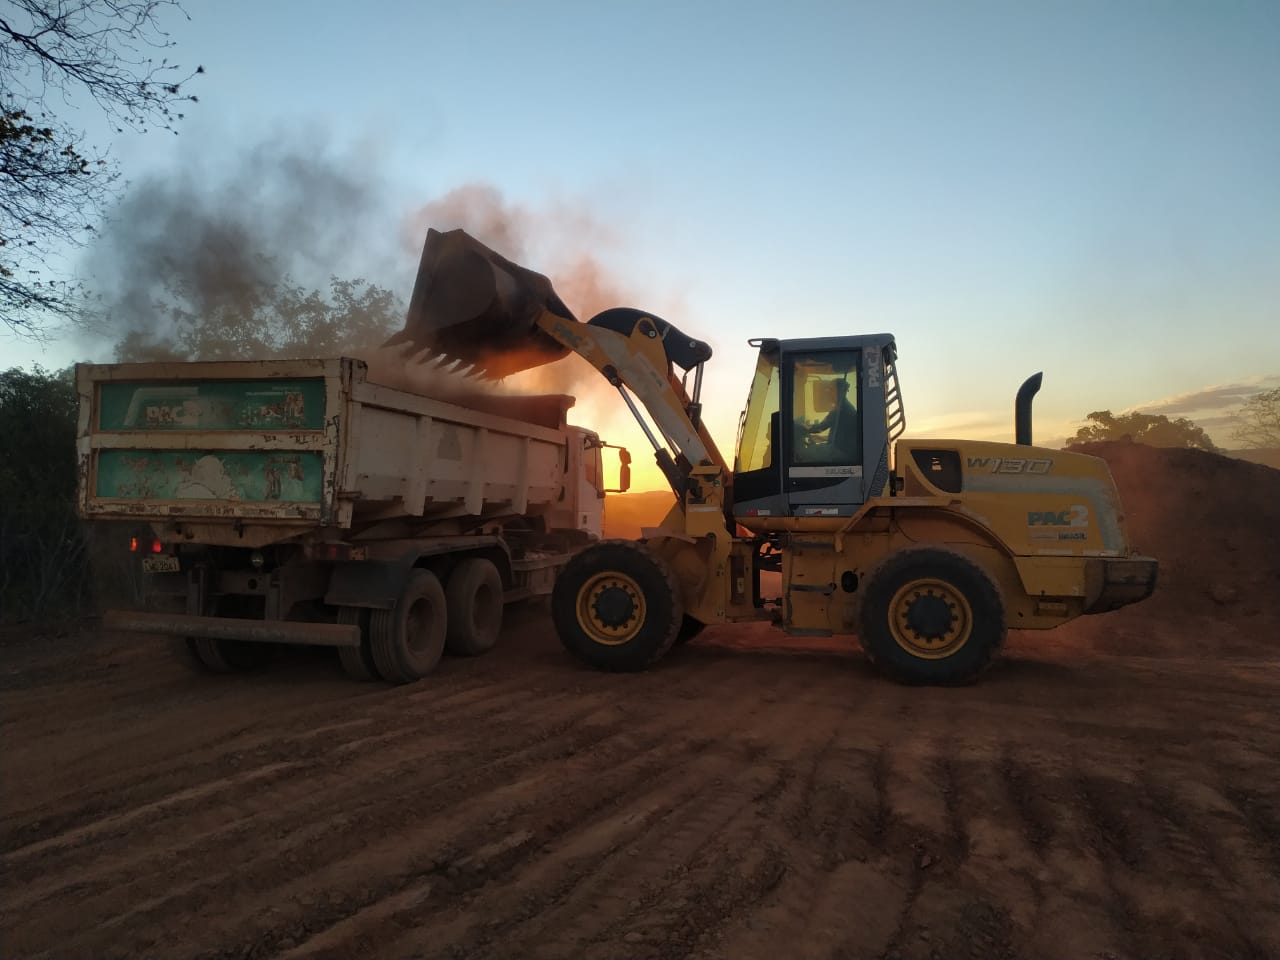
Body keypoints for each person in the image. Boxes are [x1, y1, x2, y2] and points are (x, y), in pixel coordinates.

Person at [807, 377, 860, 463]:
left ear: (839, 391)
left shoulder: (841, 410)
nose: (827, 393)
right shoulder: (846, 407)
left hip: (840, 452)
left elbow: (820, 427)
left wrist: (804, 428)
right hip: (842, 450)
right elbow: (841, 435)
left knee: (804, 454)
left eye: (830, 390)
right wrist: (821, 439)